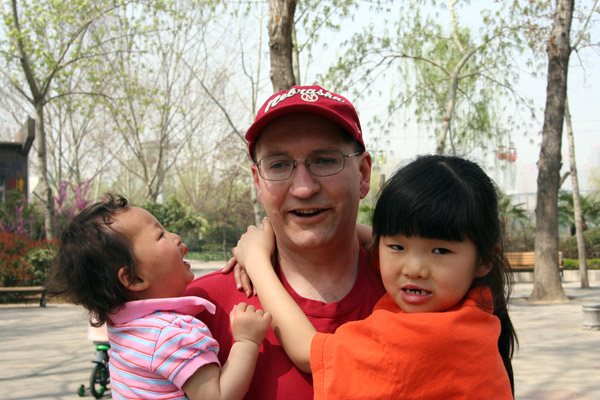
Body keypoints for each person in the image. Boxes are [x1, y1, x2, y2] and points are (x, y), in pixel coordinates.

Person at [233, 155, 517, 399]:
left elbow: (307, 351)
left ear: (485, 260)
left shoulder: (419, 340)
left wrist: (256, 260)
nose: (413, 269)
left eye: (440, 251)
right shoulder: (473, 308)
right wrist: (292, 227)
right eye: (398, 247)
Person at [183, 85, 386, 399]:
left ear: (363, 173)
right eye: (278, 165)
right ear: (258, 182)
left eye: (325, 160)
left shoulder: (423, 293)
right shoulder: (201, 311)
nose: (303, 188)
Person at [46, 194, 271, 400]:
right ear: (134, 279)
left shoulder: (122, 327)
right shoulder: (173, 334)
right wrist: (247, 341)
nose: (176, 237)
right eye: (160, 234)